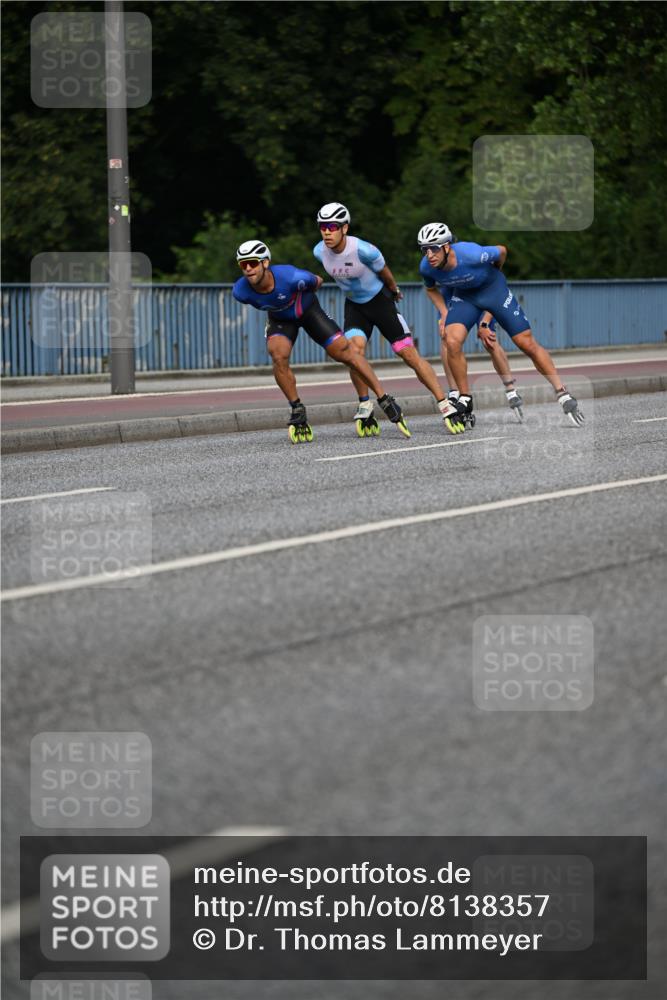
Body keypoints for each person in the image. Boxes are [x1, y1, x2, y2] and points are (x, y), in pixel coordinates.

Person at [232, 239, 409, 442]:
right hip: (280, 320)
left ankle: (383, 398)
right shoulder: (240, 291)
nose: (247, 269)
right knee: (278, 355)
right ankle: (297, 408)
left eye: (252, 263)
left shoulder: (291, 277)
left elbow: (317, 281)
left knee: (344, 352)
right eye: (242, 264)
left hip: (308, 312)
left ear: (265, 263)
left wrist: (299, 301)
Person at [313, 203, 465, 437]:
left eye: (332, 226)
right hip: (355, 306)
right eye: (322, 226)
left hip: (380, 303)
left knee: (407, 354)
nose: (326, 232)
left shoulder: (364, 250)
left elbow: (384, 272)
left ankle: (444, 404)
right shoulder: (319, 251)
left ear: (344, 228)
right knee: (353, 353)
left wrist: (393, 290)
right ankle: (364, 403)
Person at [418, 222, 584, 428]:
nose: (429, 254)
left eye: (433, 248)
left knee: (525, 343)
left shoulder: (472, 254)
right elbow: (431, 289)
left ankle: (562, 393)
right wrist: (444, 313)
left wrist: (496, 273)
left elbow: (502, 251)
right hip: (466, 297)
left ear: (446, 246)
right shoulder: (426, 266)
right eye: (424, 249)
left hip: (493, 290)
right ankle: (464, 397)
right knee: (451, 340)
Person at [438, 296, 525, 421]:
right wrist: (443, 311)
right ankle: (454, 392)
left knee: (489, 339)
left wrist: (484, 323)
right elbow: (431, 288)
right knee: (447, 340)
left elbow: (494, 293)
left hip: (480, 298)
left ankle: (511, 390)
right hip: (454, 299)